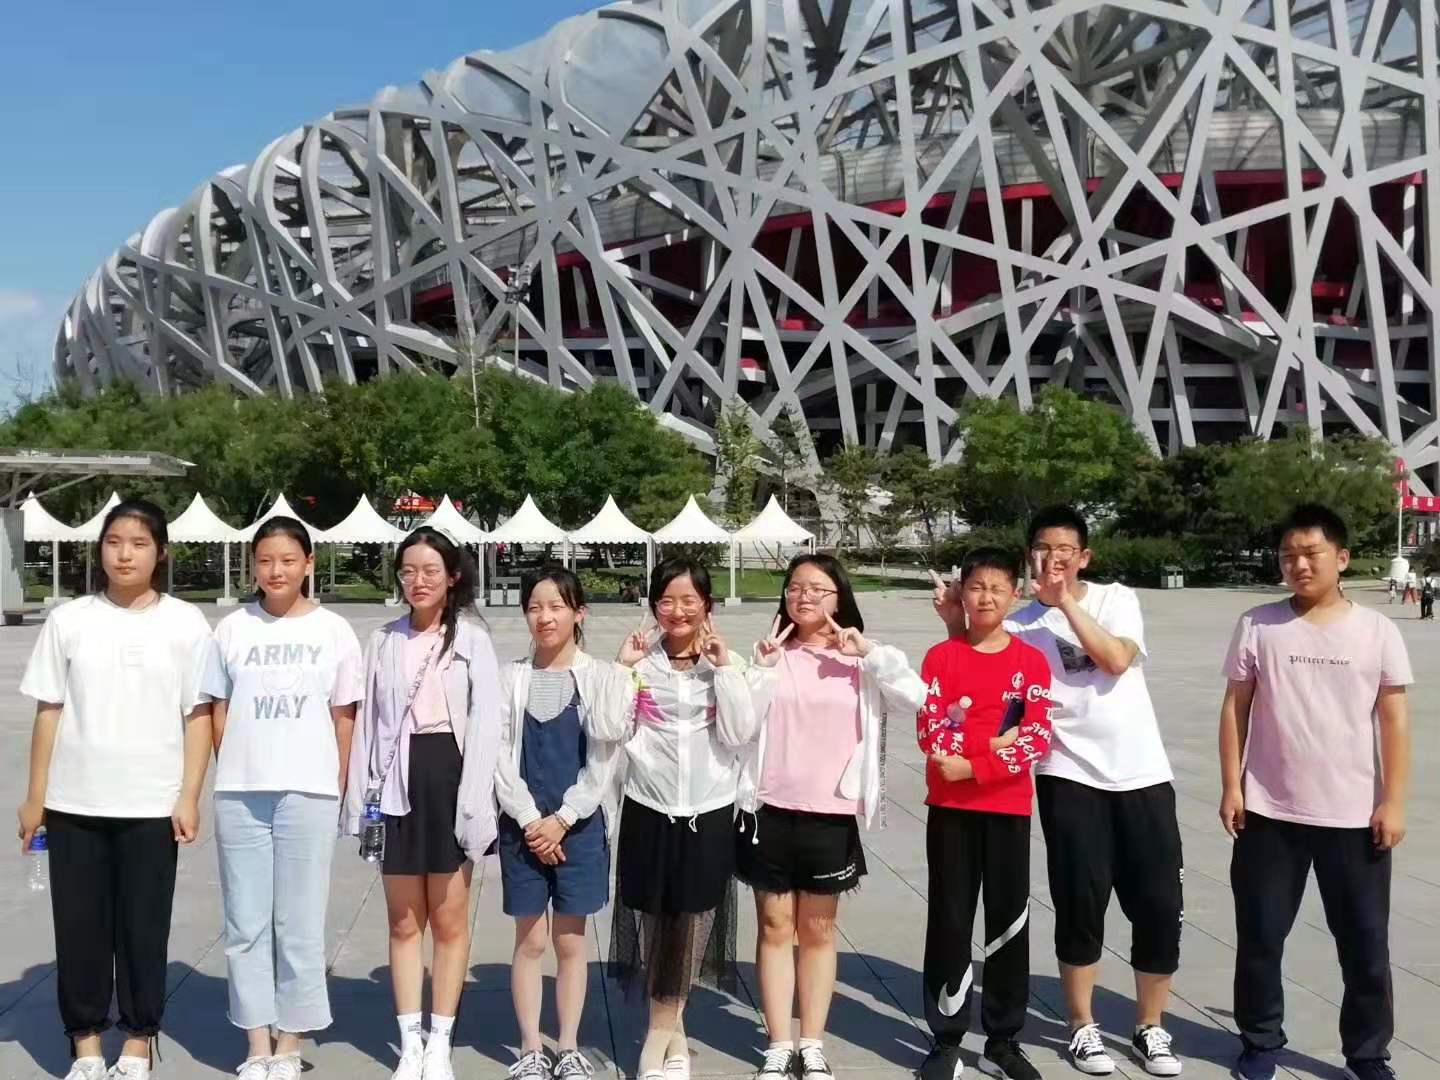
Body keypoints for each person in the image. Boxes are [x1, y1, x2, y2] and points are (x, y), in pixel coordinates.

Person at [938, 507, 1184, 1077]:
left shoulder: (1116, 599)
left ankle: (1151, 1026)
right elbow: (974, 680)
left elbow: (1115, 659)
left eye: (1065, 550)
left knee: (1158, 905)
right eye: (1043, 549)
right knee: (1079, 902)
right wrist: (954, 625)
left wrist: (1065, 602)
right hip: (1067, 775)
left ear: (1084, 557)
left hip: (1143, 775)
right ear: (1030, 555)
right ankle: (1081, 1024)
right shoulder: (1021, 624)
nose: (1053, 559)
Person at [16, 498, 213, 1080]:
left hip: (151, 805)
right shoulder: (69, 620)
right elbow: (49, 711)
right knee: (79, 928)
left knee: (143, 929)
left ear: (161, 553)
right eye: (114, 542)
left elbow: (198, 716)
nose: (125, 554)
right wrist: (35, 797)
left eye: (139, 543)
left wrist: (189, 795)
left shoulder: (185, 623)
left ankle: (138, 1039)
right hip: (74, 803)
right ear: (99, 549)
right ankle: (85, 1045)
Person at [1219, 504, 1411, 1080]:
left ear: (1341, 558)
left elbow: (1395, 719)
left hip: (1353, 815)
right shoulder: (1259, 624)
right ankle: (1260, 1042)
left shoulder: (1377, 631)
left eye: (1311, 553)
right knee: (1260, 936)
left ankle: (1368, 1053)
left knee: (1365, 945)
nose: (1299, 565)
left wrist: (1393, 800)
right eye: (1288, 555)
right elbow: (1235, 707)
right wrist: (1232, 785)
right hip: (1269, 811)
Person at [739, 554, 927, 1080]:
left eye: (816, 589)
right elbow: (739, 723)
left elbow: (916, 699)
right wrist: (760, 669)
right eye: (795, 587)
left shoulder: (860, 659)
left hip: (830, 812)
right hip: (769, 808)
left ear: (838, 597)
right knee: (775, 926)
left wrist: (869, 654)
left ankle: (812, 1042)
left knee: (818, 929)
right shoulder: (771, 654)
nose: (803, 597)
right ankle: (779, 1044)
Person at [202, 517, 363, 1080]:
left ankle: (290, 1040)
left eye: (288, 560)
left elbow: (344, 716)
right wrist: (233, 763)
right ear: (253, 566)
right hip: (241, 792)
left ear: (309, 564)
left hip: (309, 791)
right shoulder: (231, 629)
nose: (276, 571)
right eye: (266, 560)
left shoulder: (334, 631)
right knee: (245, 922)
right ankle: (256, 1043)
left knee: (299, 921)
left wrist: (339, 783)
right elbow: (217, 708)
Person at [343, 526, 504, 1080]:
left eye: (431, 571)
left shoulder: (472, 641)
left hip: (450, 776)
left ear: (452, 577)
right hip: (396, 782)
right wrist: (360, 797)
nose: (418, 581)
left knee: (450, 918)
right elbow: (369, 723)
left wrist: (476, 800)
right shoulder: (383, 640)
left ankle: (441, 1041)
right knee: (403, 919)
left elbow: (487, 724)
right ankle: (409, 1041)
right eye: (408, 571)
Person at [606, 558, 758, 1080]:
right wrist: (622, 667)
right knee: (654, 924)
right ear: (653, 607)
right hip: (649, 807)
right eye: (667, 601)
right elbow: (609, 728)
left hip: (707, 810)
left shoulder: (727, 663)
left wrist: (725, 669)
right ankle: (675, 1038)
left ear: (707, 606)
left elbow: (738, 733)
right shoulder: (640, 665)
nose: (678, 611)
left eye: (689, 600)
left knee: (692, 924)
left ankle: (655, 1043)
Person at [917, 547, 1053, 1080]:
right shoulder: (940, 658)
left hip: (1007, 807)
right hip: (950, 809)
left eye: (998, 588)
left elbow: (1035, 739)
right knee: (949, 917)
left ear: (1015, 594)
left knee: (1009, 919)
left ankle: (1003, 1039)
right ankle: (946, 1038)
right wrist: (996, 744)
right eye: (976, 587)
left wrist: (974, 764)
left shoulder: (1030, 663)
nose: (987, 597)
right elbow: (933, 732)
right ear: (961, 593)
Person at [496, 567, 634, 1080]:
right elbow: (498, 756)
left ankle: (569, 1045)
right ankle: (531, 1047)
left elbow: (604, 758)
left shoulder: (598, 677)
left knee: (571, 942)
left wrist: (563, 818)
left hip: (580, 828)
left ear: (579, 613)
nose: (545, 617)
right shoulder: (510, 678)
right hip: (522, 829)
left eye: (556, 606)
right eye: (535, 607)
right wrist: (532, 821)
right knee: (530, 940)